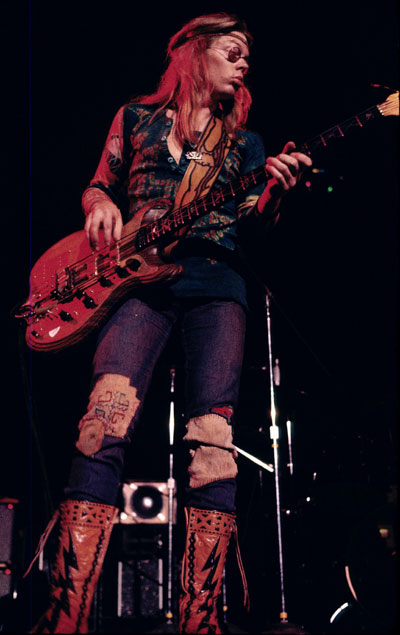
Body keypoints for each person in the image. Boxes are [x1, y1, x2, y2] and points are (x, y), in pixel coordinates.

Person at [30, 12, 312, 635]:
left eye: (247, 56)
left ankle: (200, 621)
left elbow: (252, 222)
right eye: (232, 50)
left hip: (219, 284)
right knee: (101, 426)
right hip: (138, 279)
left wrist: (274, 194)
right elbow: (99, 184)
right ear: (194, 51)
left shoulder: (247, 145)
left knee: (212, 446)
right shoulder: (136, 117)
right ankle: (65, 616)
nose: (244, 63)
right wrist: (100, 202)